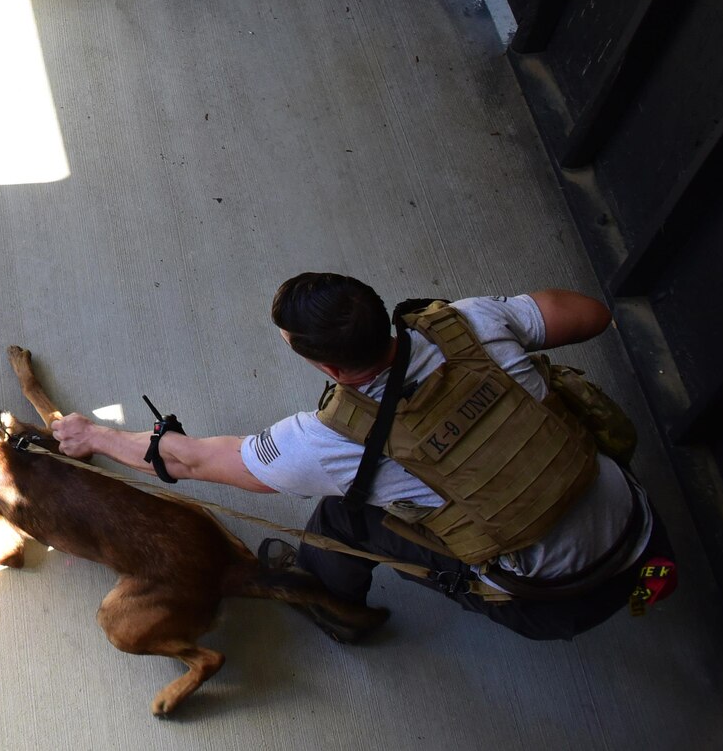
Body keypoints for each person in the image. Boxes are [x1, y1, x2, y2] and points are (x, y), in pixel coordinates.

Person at [51, 272, 668, 641]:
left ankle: (336, 608)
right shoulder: (470, 323)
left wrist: (96, 437)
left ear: (324, 367)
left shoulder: (328, 443)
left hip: (555, 605)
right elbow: (592, 314)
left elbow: (189, 461)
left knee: (344, 518)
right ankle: (647, 598)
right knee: (636, 567)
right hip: (644, 537)